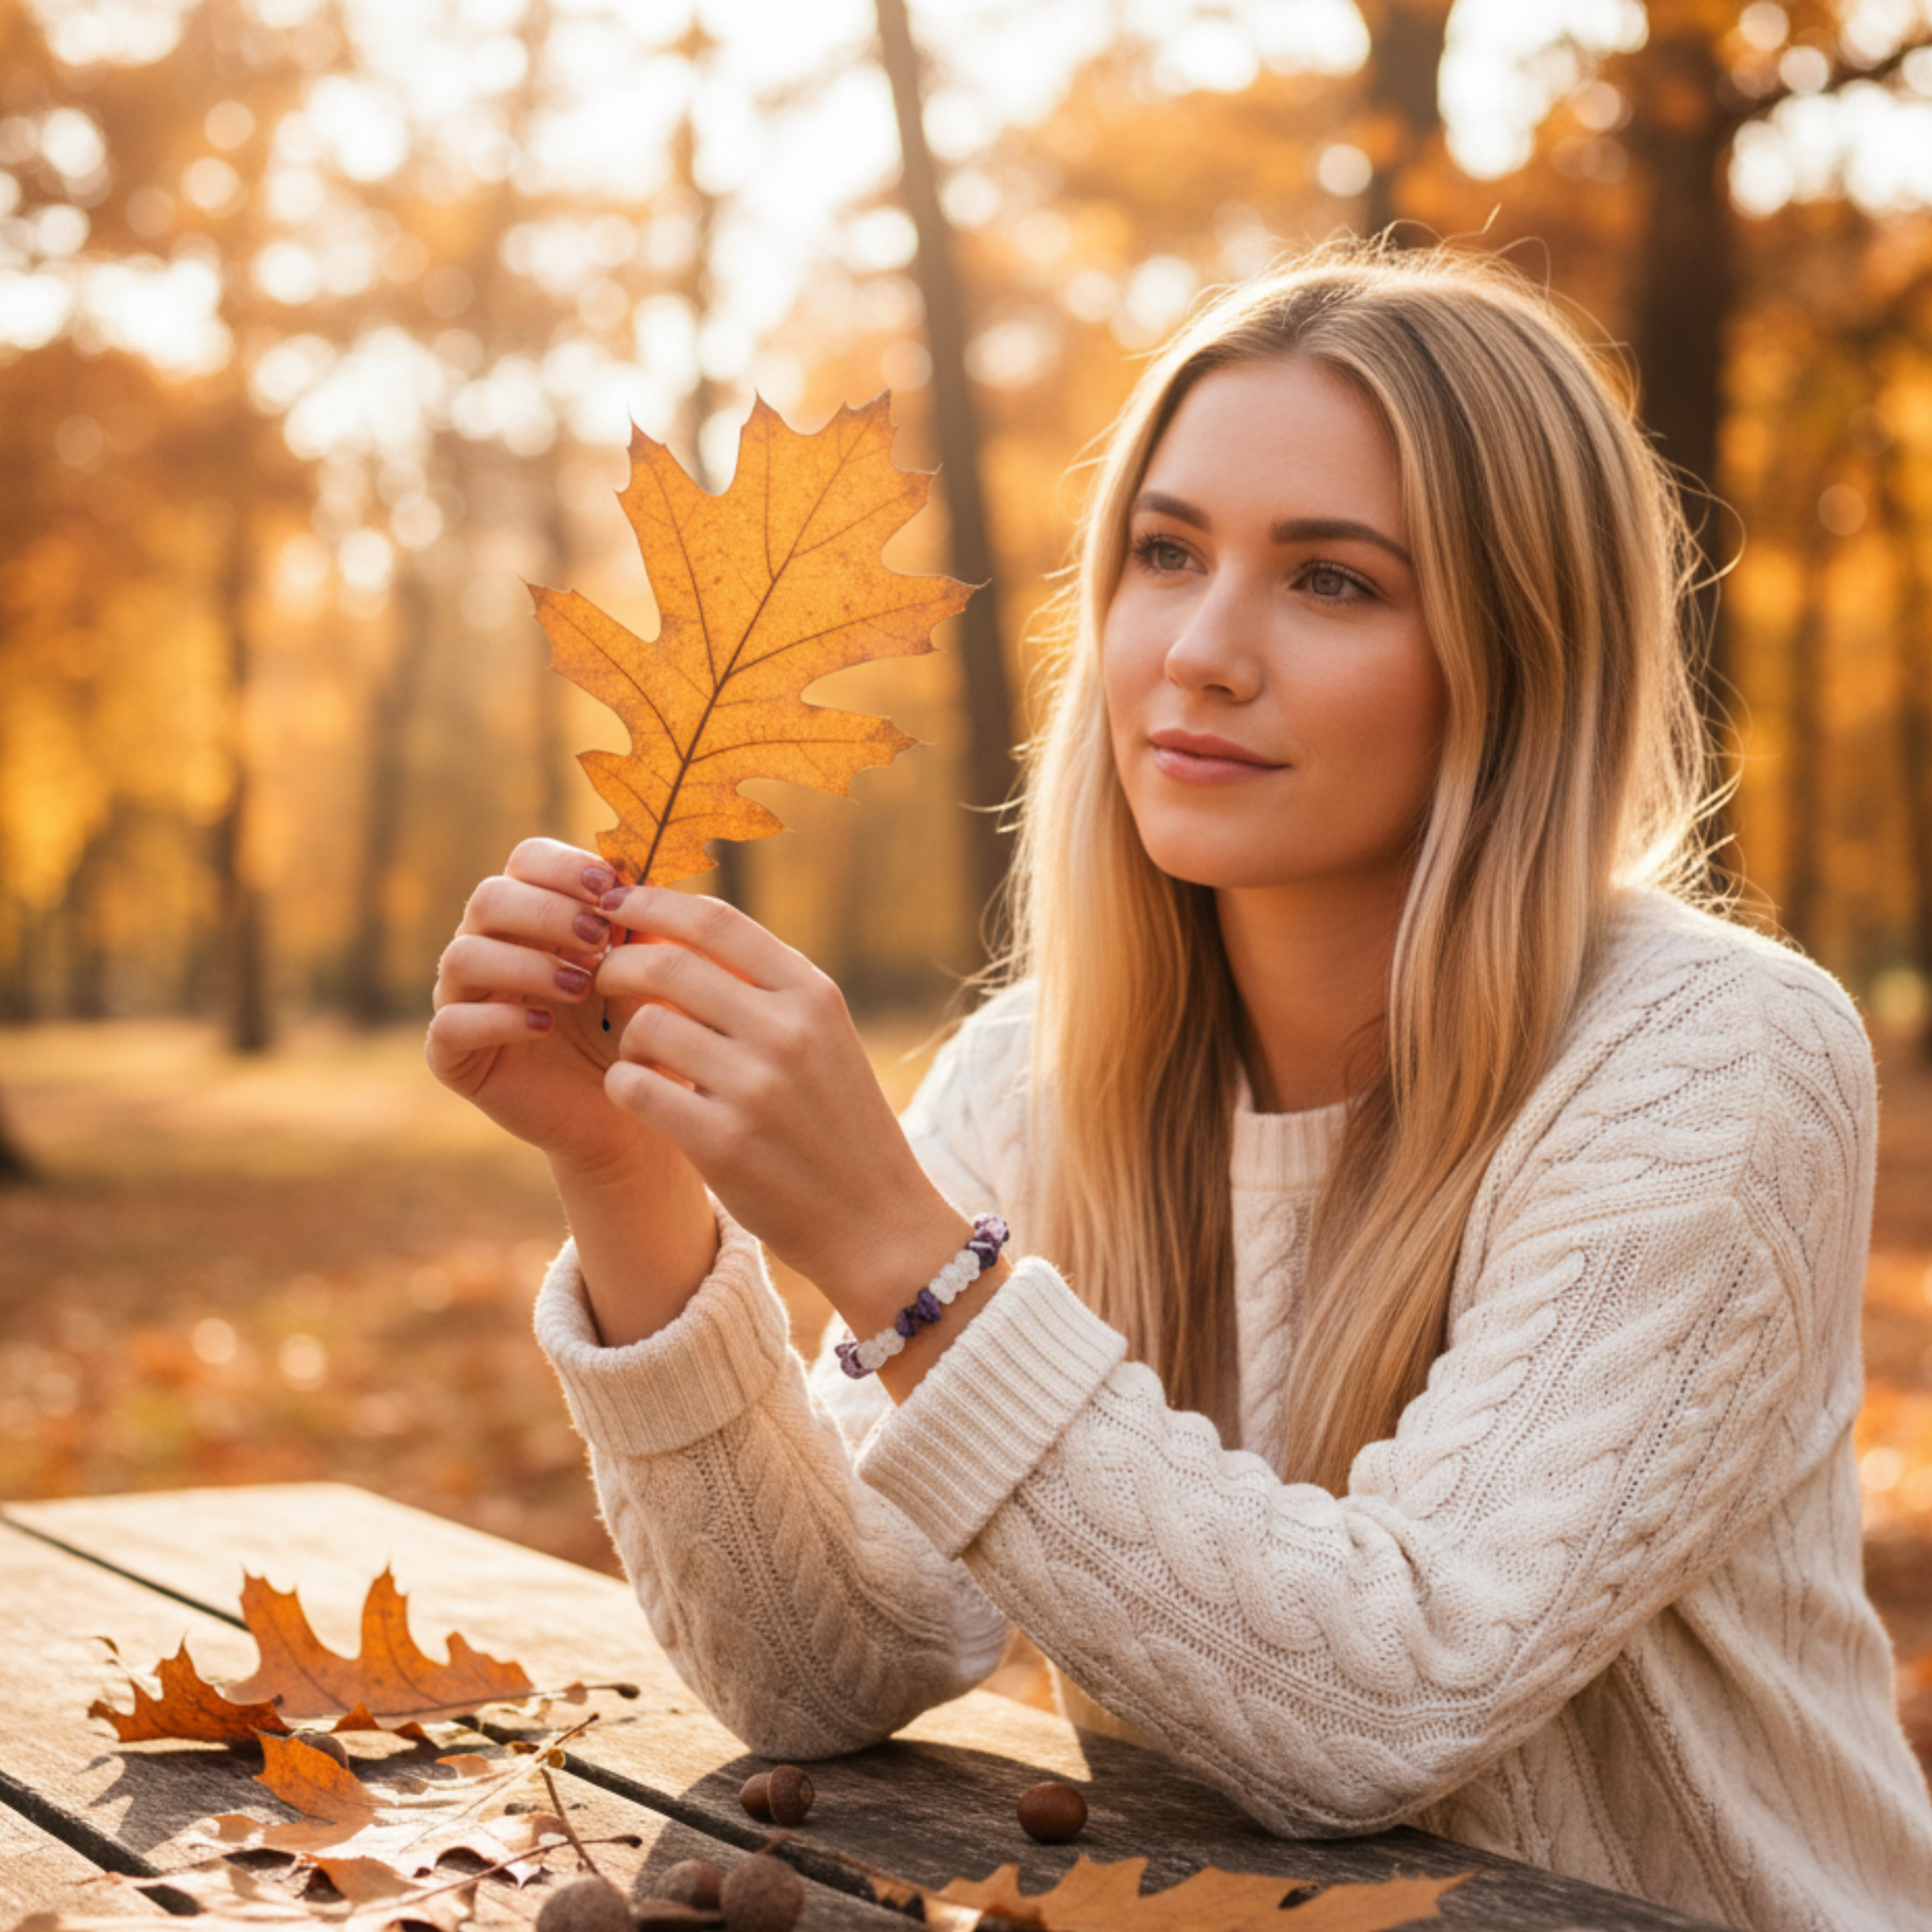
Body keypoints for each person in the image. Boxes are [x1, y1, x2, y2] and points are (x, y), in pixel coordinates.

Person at [427, 245, 1932, 1932]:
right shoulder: (1034, 1079)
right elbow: (823, 1666)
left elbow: (1391, 1695)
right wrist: (626, 1177)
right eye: (1163, 552)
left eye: (1332, 581)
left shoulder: (1711, 1058)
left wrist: (902, 1258)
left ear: (1515, 663)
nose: (1198, 651)